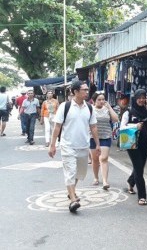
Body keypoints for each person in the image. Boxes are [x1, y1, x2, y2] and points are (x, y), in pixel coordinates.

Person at [48, 80, 100, 213]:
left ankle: (71, 191)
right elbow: (57, 127)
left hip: (83, 146)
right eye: (85, 90)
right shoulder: (65, 107)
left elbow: (93, 127)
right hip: (67, 146)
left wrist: (97, 144)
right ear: (75, 92)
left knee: (79, 173)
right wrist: (52, 145)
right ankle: (72, 200)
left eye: (88, 90)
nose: (87, 92)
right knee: (70, 172)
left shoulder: (89, 108)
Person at [120, 89, 147, 206]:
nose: (141, 100)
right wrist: (135, 125)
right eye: (139, 97)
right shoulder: (128, 113)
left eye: (143, 97)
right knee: (139, 169)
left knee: (139, 166)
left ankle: (131, 181)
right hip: (132, 144)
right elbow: (122, 128)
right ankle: (142, 196)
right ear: (135, 98)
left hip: (144, 143)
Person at [89, 92, 119, 189]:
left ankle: (105, 181)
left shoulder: (107, 109)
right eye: (99, 99)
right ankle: (96, 177)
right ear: (94, 101)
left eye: (103, 99)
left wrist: (109, 108)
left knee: (103, 158)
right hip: (92, 137)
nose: (102, 101)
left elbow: (116, 119)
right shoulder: (90, 109)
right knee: (95, 159)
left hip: (105, 136)